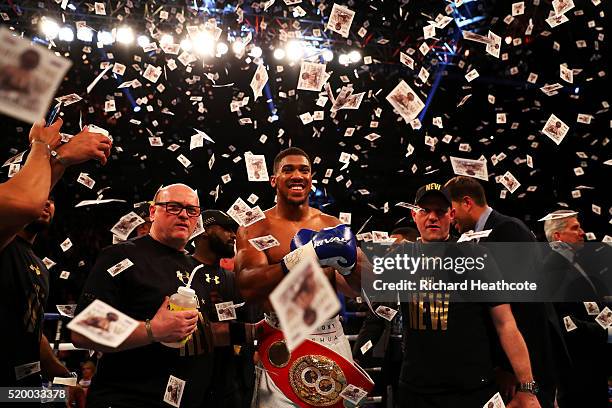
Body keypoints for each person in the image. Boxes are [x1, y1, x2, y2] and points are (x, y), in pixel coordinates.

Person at [234, 147, 373, 407]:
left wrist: (352, 263)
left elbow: (359, 288)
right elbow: (248, 286)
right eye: (288, 169)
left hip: (331, 338)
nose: (297, 175)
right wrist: (300, 258)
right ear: (273, 180)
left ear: (311, 179)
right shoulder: (255, 226)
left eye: (304, 170)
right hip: (283, 339)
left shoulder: (331, 225)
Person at [71, 184, 216, 407]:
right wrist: (152, 329)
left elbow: (204, 336)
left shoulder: (197, 268)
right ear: (152, 212)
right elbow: (84, 330)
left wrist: (256, 330)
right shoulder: (120, 255)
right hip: (127, 399)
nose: (184, 215)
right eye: (173, 207)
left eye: (191, 210)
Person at [397, 182, 540, 408]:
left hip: (470, 389)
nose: (432, 217)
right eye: (425, 210)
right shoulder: (400, 259)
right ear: (414, 214)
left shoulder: (474, 256)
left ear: (451, 215)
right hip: (415, 389)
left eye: (440, 211)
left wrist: (527, 388)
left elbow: (505, 323)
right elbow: (357, 286)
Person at [0, 118, 111, 389]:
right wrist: (43, 147)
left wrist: (65, 378)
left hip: (20, 392)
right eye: (43, 195)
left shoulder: (35, 262)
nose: (46, 202)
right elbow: (26, 202)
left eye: (51, 199)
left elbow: (30, 329)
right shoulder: (5, 244)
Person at [444, 176, 569, 408]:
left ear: (467, 203)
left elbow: (525, 307)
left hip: (529, 362)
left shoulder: (507, 230)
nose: (449, 220)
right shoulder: (475, 238)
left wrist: (514, 371)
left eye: (451, 211)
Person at [542, 210, 609, 408]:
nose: (582, 232)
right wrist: (605, 331)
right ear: (558, 236)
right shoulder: (553, 269)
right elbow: (563, 323)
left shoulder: (572, 261)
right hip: (577, 367)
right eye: (575, 228)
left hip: (590, 360)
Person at [191, 209, 256, 408]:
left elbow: (247, 322)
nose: (234, 235)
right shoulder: (183, 271)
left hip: (227, 382)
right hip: (191, 379)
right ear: (205, 230)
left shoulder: (232, 279)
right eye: (227, 229)